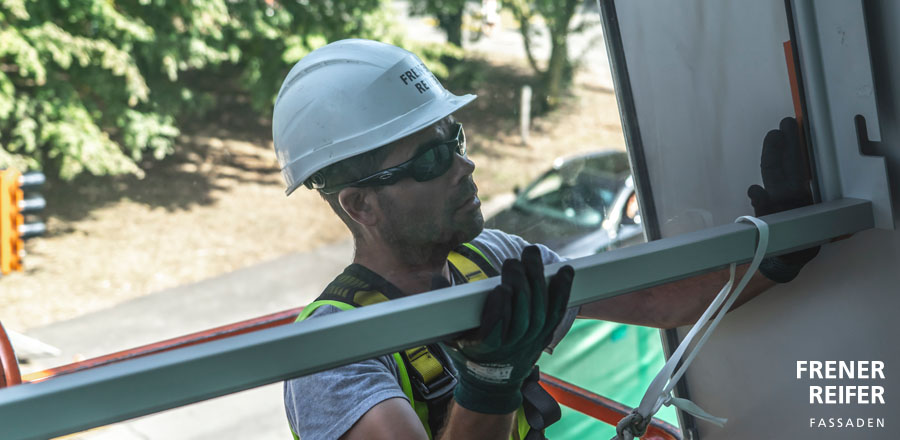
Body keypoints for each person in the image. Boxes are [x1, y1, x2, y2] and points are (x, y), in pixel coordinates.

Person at [272, 39, 818, 440]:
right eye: (432, 158)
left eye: (454, 139)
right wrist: (489, 380)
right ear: (360, 204)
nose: (465, 166)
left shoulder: (494, 260)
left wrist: (774, 254)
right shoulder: (333, 352)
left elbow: (656, 299)